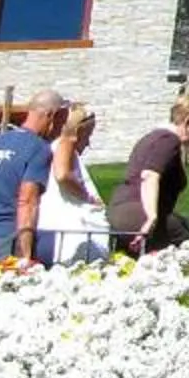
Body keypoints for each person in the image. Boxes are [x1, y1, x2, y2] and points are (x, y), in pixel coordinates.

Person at [0, 89, 65, 261]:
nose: (61, 128)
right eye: (62, 120)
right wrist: (25, 255)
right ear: (52, 115)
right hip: (5, 240)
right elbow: (27, 202)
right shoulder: (38, 148)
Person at [106, 92, 189, 253]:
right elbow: (149, 175)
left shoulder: (152, 138)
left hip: (120, 211)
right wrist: (151, 216)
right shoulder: (168, 140)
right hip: (137, 211)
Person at [36, 104, 113, 264]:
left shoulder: (55, 146)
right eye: (87, 135)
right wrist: (87, 196)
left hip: (50, 231)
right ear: (80, 130)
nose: (87, 142)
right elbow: (62, 175)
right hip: (63, 234)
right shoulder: (66, 142)